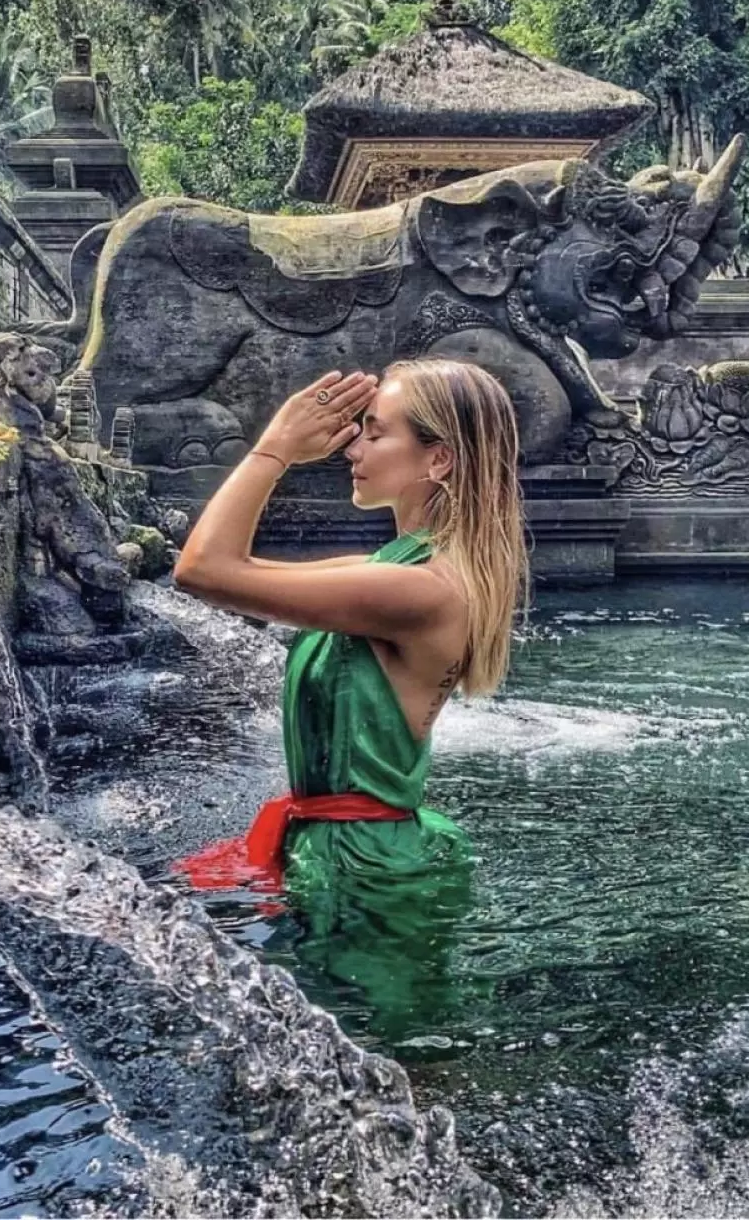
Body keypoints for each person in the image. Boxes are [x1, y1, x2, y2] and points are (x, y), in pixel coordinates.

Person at [169, 358, 528, 1024]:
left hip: (367, 872)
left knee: (388, 1060)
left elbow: (202, 569)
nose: (351, 449)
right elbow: (229, 572)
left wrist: (274, 448)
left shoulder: (417, 591)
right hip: (348, 859)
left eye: (374, 433)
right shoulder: (391, 572)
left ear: (438, 461)